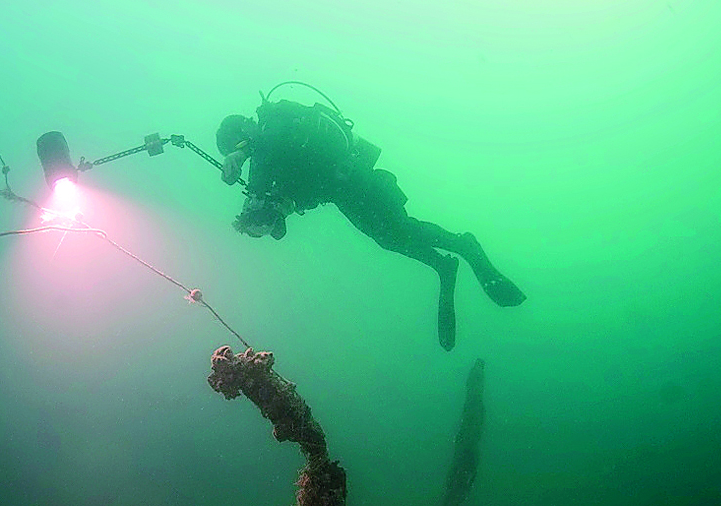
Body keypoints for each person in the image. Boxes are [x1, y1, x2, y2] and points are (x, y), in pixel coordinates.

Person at [215, 92, 525, 351]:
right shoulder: (264, 154)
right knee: (389, 239)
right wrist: (270, 214)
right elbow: (292, 191)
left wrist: (243, 154)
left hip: (358, 181)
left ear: (242, 134)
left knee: (403, 228)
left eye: (238, 147)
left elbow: (276, 142)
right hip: (343, 194)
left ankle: (464, 246)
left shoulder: (273, 122)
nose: (243, 155)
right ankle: (443, 265)